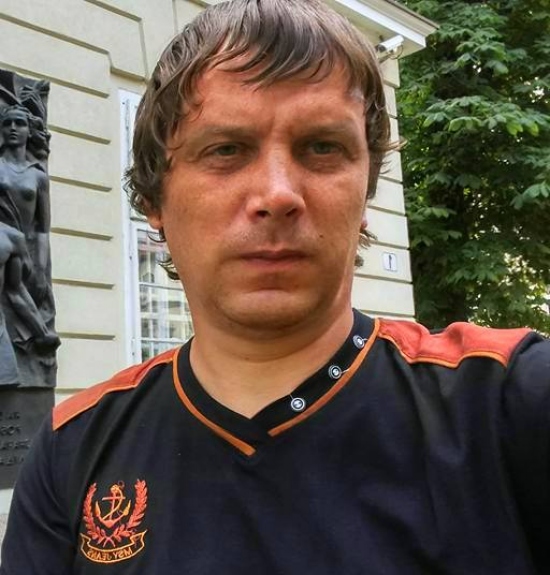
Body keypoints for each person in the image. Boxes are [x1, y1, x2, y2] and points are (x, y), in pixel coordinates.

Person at [1, 0, 549, 573]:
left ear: (364, 193)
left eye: (322, 147)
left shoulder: (509, 405)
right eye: (226, 150)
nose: (278, 194)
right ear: (154, 200)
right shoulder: (72, 449)